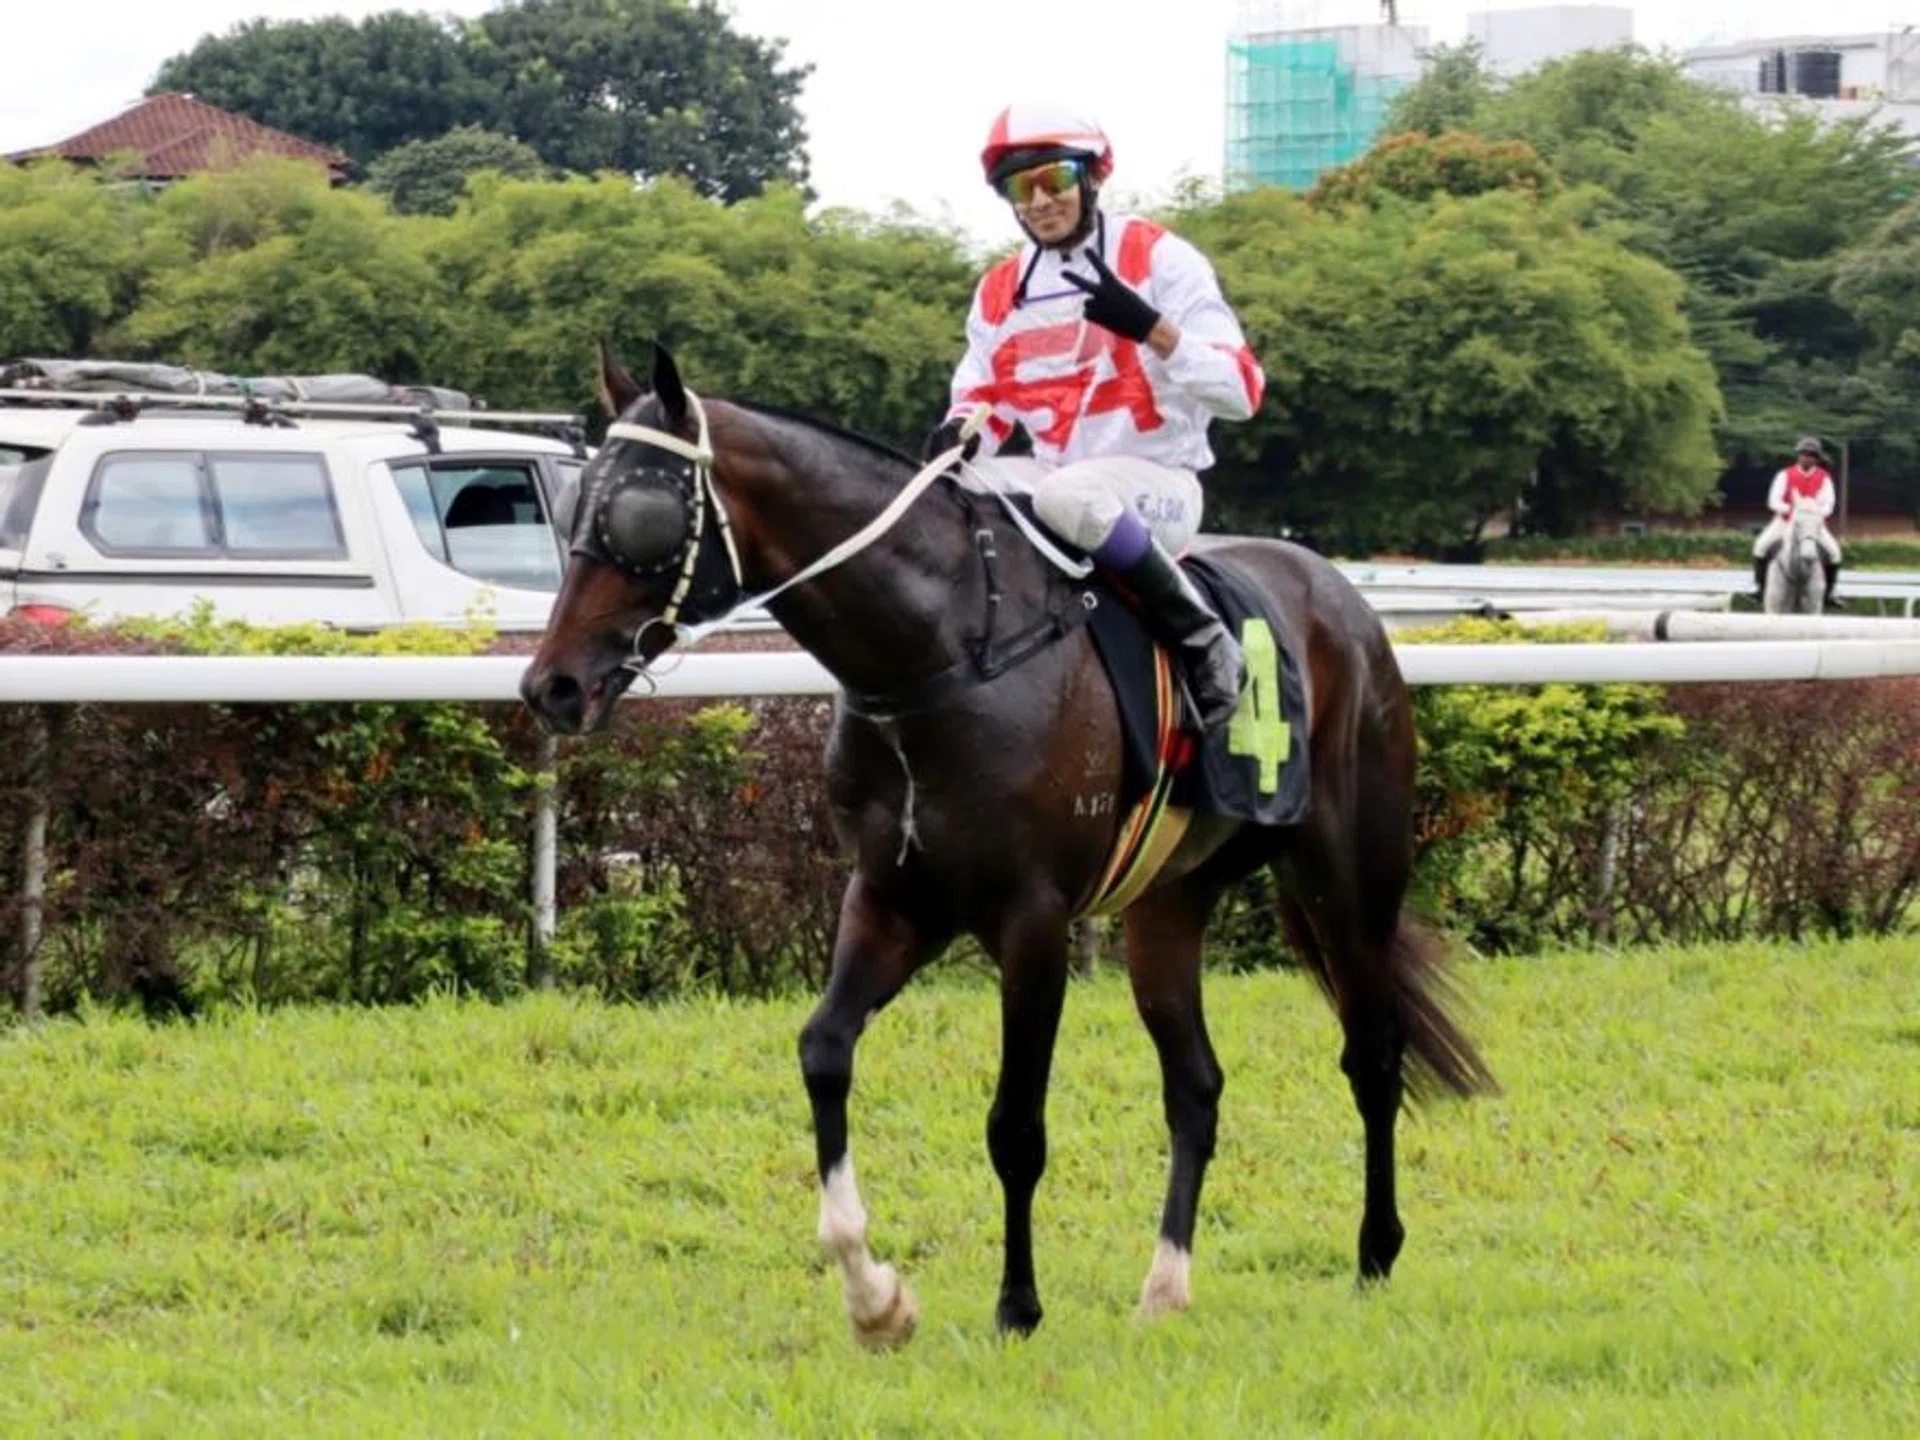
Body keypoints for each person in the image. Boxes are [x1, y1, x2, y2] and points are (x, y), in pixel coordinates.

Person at [921, 103, 1266, 732]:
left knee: (1069, 495)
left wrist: (1153, 329)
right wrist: (961, 433)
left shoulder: (1159, 257)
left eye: (1054, 179)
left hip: (1159, 484)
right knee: (945, 495)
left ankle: (1203, 637)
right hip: (1055, 477)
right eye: (1021, 188)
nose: (1040, 200)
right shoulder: (1000, 290)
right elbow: (986, 398)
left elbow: (1242, 391)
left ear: (1092, 177)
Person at [1752, 436, 1843, 608]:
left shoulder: (1824, 478)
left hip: (1812, 523)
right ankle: (1760, 588)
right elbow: (1773, 500)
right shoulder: (1784, 475)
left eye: (1811, 455)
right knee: (1760, 546)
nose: (1806, 457)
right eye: (1803, 454)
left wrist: (1813, 513)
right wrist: (1792, 511)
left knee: (1835, 552)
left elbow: (1829, 504)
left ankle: (1829, 593)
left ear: (1816, 458)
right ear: (1798, 455)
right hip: (1786, 521)